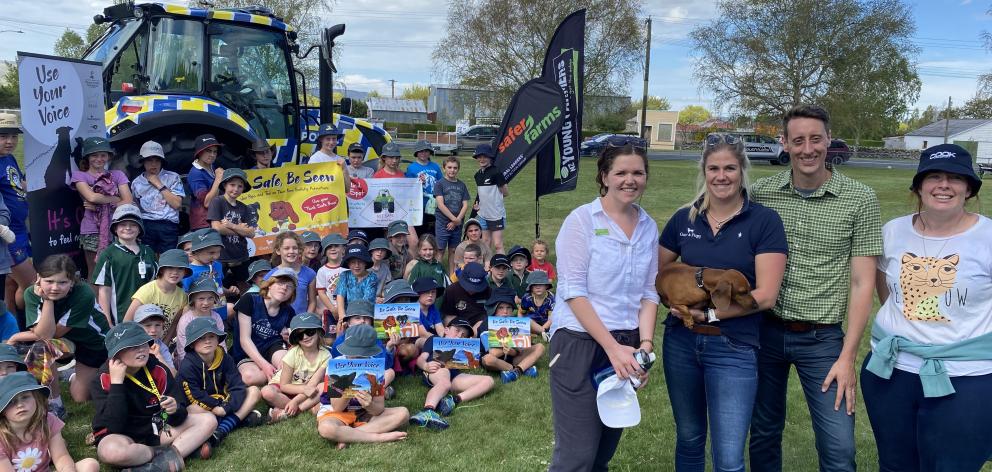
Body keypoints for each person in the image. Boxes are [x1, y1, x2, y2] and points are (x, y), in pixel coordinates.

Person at [748, 105, 881, 472]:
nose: (808, 149)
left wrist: (847, 356)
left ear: (828, 141)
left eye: (816, 139)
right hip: (765, 332)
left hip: (823, 341)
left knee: (839, 448)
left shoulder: (860, 199)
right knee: (762, 432)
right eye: (798, 140)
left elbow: (861, 283)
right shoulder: (762, 193)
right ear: (785, 144)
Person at [658, 134, 788, 471]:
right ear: (704, 170)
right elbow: (656, 275)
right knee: (688, 439)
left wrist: (709, 314)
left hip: (735, 346)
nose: (721, 176)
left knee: (729, 457)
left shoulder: (763, 220)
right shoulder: (683, 219)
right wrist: (672, 300)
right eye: (714, 168)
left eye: (730, 167)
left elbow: (765, 295)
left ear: (742, 170)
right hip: (681, 343)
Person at [861, 144, 992, 471]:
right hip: (891, 372)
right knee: (894, 464)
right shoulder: (893, 231)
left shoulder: (987, 237)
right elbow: (887, 292)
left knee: (952, 465)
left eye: (955, 178)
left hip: (965, 377)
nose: (944, 185)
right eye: (934, 176)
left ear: (969, 189)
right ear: (919, 186)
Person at [549, 136, 659, 471]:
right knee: (577, 455)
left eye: (638, 173)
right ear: (604, 176)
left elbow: (649, 293)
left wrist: (644, 348)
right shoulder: (582, 221)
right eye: (621, 172)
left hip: (626, 345)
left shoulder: (648, 227)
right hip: (579, 343)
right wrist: (611, 348)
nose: (630, 180)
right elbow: (573, 291)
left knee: (601, 454)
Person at [90, 322, 216, 468]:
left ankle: (157, 464)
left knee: (208, 420)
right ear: (116, 353)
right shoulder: (102, 379)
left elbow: (179, 416)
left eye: (144, 344)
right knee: (110, 452)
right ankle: (166, 454)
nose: (142, 350)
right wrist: (117, 384)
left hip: (158, 431)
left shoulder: (158, 369)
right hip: (123, 436)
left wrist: (175, 409)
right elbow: (113, 427)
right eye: (133, 347)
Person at [16, 254, 111, 404]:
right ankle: (55, 403)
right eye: (49, 281)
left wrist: (16, 337)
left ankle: (72, 375)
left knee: (81, 397)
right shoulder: (31, 293)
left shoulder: (84, 293)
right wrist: (47, 301)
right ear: (38, 278)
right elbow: (44, 336)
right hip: (65, 342)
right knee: (41, 349)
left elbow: (51, 333)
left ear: (72, 282)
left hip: (93, 343)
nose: (54, 288)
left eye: (62, 282)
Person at [317, 323, 408, 448]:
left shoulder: (374, 366)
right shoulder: (337, 365)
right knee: (326, 428)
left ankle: (347, 436)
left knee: (403, 413)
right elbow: (337, 407)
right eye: (352, 352)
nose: (355, 357)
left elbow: (378, 408)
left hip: (364, 413)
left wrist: (370, 404)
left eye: (361, 354)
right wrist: (349, 390)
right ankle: (377, 437)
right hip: (336, 414)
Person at [179, 317, 265, 449]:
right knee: (192, 409)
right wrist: (216, 407)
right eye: (201, 338)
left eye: (211, 336)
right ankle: (240, 419)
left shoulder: (224, 357)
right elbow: (195, 396)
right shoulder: (187, 365)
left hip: (225, 403)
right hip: (202, 406)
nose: (207, 341)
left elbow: (237, 385)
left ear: (217, 339)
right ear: (192, 344)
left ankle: (222, 429)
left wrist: (226, 407)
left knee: (254, 391)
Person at [0, 372, 99, 472]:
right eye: (11, 401)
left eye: (25, 397)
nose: (20, 404)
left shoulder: (47, 420)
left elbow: (61, 457)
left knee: (90, 465)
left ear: (36, 398)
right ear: (2, 409)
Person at [410, 318, 494, 431]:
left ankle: (453, 401)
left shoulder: (463, 347)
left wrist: (470, 351)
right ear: (446, 330)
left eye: (463, 335)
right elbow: (421, 359)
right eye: (457, 330)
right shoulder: (434, 339)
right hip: (436, 370)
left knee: (488, 380)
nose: (459, 335)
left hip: (454, 375)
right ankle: (427, 411)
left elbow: (473, 360)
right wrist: (426, 366)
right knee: (444, 380)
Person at [71, 136, 132, 273]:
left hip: (118, 228)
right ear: (87, 157)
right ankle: (95, 296)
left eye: (103, 155)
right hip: (92, 229)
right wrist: (116, 199)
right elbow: (91, 196)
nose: (99, 159)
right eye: (94, 155)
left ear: (109, 157)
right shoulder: (80, 176)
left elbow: (128, 200)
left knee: (118, 270)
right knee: (96, 271)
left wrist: (102, 203)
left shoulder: (117, 175)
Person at [92, 204, 157, 326]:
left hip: (148, 318)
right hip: (120, 319)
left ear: (140, 229)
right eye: (122, 224)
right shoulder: (108, 254)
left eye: (133, 225)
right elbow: (104, 290)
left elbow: (156, 284)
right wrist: (107, 321)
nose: (128, 228)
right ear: (115, 228)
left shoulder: (148, 252)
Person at [231, 268, 297, 386]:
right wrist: (264, 365)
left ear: (292, 293)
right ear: (269, 285)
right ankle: (276, 377)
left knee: (287, 365)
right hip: (246, 352)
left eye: (290, 286)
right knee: (250, 377)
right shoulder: (250, 300)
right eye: (280, 283)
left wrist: (290, 342)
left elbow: (295, 340)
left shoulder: (289, 311)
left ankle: (278, 378)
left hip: (272, 347)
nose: (284, 288)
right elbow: (245, 339)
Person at [261, 312, 330, 422]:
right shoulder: (292, 353)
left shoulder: (326, 356)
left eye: (309, 332)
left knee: (323, 386)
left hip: (308, 391)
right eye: (299, 335)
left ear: (318, 331)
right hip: (285, 389)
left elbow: (312, 385)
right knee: (266, 392)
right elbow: (284, 385)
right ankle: (306, 407)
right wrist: (300, 394)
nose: (305, 337)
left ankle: (288, 412)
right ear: (296, 339)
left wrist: (296, 401)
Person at [0, 113, 35, 319]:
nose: (10, 141)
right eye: (3, 136)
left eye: (14, 136)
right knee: (32, 285)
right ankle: (35, 329)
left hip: (21, 229)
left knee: (11, 285)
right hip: (9, 235)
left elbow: (19, 185)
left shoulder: (9, 158)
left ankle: (11, 333)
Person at [329, 301, 397, 397]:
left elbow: (384, 366)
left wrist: (389, 348)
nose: (362, 321)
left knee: (390, 372)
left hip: (370, 376)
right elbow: (334, 365)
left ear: (371, 322)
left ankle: (372, 391)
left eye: (366, 318)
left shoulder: (375, 339)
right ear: (348, 322)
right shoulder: (340, 341)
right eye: (357, 318)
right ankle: (379, 391)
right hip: (349, 377)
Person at [123, 249, 190, 343]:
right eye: (170, 267)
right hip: (140, 343)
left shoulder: (182, 296)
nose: (175, 272)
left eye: (180, 268)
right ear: (162, 270)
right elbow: (127, 322)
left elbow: (174, 325)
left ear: (185, 272)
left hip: (161, 344)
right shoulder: (147, 290)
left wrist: (164, 345)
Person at [129, 140, 184, 253]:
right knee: (148, 260)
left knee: (168, 260)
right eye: (149, 160)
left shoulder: (173, 177)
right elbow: (136, 206)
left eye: (157, 160)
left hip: (168, 224)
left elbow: (177, 204)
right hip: (146, 224)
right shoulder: (137, 182)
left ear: (161, 161)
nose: (153, 164)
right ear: (143, 162)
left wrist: (158, 184)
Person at [480, 287, 543, 384]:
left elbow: (522, 349)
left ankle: (515, 372)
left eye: (508, 308)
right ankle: (521, 369)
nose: (505, 311)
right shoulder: (486, 323)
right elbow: (493, 353)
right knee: (488, 359)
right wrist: (510, 349)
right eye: (501, 308)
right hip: (496, 361)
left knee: (540, 347)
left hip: (513, 358)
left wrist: (512, 351)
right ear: (494, 309)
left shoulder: (516, 322)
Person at [208, 168, 257, 287]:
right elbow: (217, 228)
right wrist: (241, 230)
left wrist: (231, 225)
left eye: (240, 186)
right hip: (221, 256)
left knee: (244, 285)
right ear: (224, 185)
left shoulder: (245, 207)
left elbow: (251, 233)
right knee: (217, 287)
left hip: (241, 254)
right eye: (232, 185)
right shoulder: (217, 202)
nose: (236, 189)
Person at [173, 278, 227, 362]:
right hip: (191, 361)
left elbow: (221, 343)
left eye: (210, 298)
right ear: (193, 300)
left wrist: (223, 361)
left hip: (212, 358)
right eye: (201, 298)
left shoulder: (216, 317)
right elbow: (182, 348)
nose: (206, 303)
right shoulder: (186, 320)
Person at [265, 231, 317, 315]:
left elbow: (312, 302)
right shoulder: (270, 275)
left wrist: (306, 319)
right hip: (279, 322)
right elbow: (266, 302)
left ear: (300, 250)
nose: (291, 251)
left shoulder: (310, 273)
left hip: (300, 322)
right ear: (278, 251)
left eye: (295, 248)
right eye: (286, 248)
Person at [433, 156, 470, 272]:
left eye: (455, 168)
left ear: (458, 169)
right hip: (443, 223)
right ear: (444, 168)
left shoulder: (462, 185)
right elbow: (440, 204)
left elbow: (465, 205)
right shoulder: (440, 184)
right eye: (449, 167)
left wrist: (457, 220)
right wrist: (454, 219)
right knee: (440, 250)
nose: (452, 170)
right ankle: (437, 275)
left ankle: (451, 276)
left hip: (457, 224)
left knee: (453, 250)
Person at [472, 143, 508, 254]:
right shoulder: (477, 175)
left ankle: (502, 268)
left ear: (490, 157)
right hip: (483, 214)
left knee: (497, 245)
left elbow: (505, 192)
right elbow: (481, 193)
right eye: (479, 156)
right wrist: (478, 204)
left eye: (485, 156)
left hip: (496, 214)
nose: (482, 159)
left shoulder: (496, 172)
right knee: (485, 242)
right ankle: (486, 268)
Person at [187, 134, 225, 230]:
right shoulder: (195, 173)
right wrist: (218, 178)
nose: (212, 155)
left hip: (215, 221)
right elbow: (207, 203)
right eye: (208, 151)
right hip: (203, 225)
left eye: (215, 152)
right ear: (199, 152)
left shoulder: (211, 166)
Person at [406, 140, 442, 240]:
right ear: (416, 152)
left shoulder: (435, 166)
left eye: (426, 151)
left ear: (430, 152)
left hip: (434, 205)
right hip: (419, 205)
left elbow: (441, 183)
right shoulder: (412, 168)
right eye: (421, 151)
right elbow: (408, 187)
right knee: (419, 232)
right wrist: (417, 183)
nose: (424, 153)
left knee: (431, 233)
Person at [335, 245, 378, 327]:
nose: (356, 265)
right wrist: (342, 317)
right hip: (347, 315)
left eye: (360, 262)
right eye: (353, 262)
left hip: (366, 315)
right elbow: (340, 295)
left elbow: (367, 300)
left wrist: (358, 319)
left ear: (365, 262)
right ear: (348, 263)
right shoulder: (344, 275)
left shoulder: (372, 277)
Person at [439, 262, 491, 330]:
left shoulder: (488, 291)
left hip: (480, 323)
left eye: (476, 288)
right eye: (469, 286)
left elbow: (491, 315)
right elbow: (448, 316)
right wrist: (455, 330)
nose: (472, 291)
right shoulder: (452, 290)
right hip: (458, 323)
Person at [316, 233, 348, 341]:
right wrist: (333, 309)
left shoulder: (348, 268)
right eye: (329, 247)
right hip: (330, 310)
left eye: (336, 246)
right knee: (329, 340)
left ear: (343, 248)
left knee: (347, 337)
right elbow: (321, 292)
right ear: (324, 251)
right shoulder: (322, 271)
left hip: (348, 309)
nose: (333, 249)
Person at [134, 304, 176, 376]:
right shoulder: (130, 346)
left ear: (163, 326)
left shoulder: (161, 347)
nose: (153, 330)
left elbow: (174, 375)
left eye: (157, 325)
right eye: (148, 325)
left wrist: (158, 356)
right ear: (136, 327)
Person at [307, 123, 351, 189]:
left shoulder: (340, 159)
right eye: (328, 139)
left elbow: (347, 189)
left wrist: (344, 169)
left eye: (334, 139)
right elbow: (311, 187)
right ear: (321, 140)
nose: (331, 142)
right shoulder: (315, 159)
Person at [520, 270, 555, 340]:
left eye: (541, 284)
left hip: (546, 323)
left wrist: (543, 328)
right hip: (532, 322)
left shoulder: (551, 299)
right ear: (531, 287)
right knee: (527, 321)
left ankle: (538, 333)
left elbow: (551, 319)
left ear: (546, 286)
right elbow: (521, 312)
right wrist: (520, 324)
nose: (538, 287)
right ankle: (543, 333)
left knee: (556, 322)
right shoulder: (527, 298)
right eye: (535, 285)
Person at [368, 238, 393, 303]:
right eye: (377, 249)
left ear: (386, 253)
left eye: (383, 250)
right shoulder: (364, 267)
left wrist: (384, 297)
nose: (380, 252)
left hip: (381, 301)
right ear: (371, 251)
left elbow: (388, 287)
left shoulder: (385, 268)